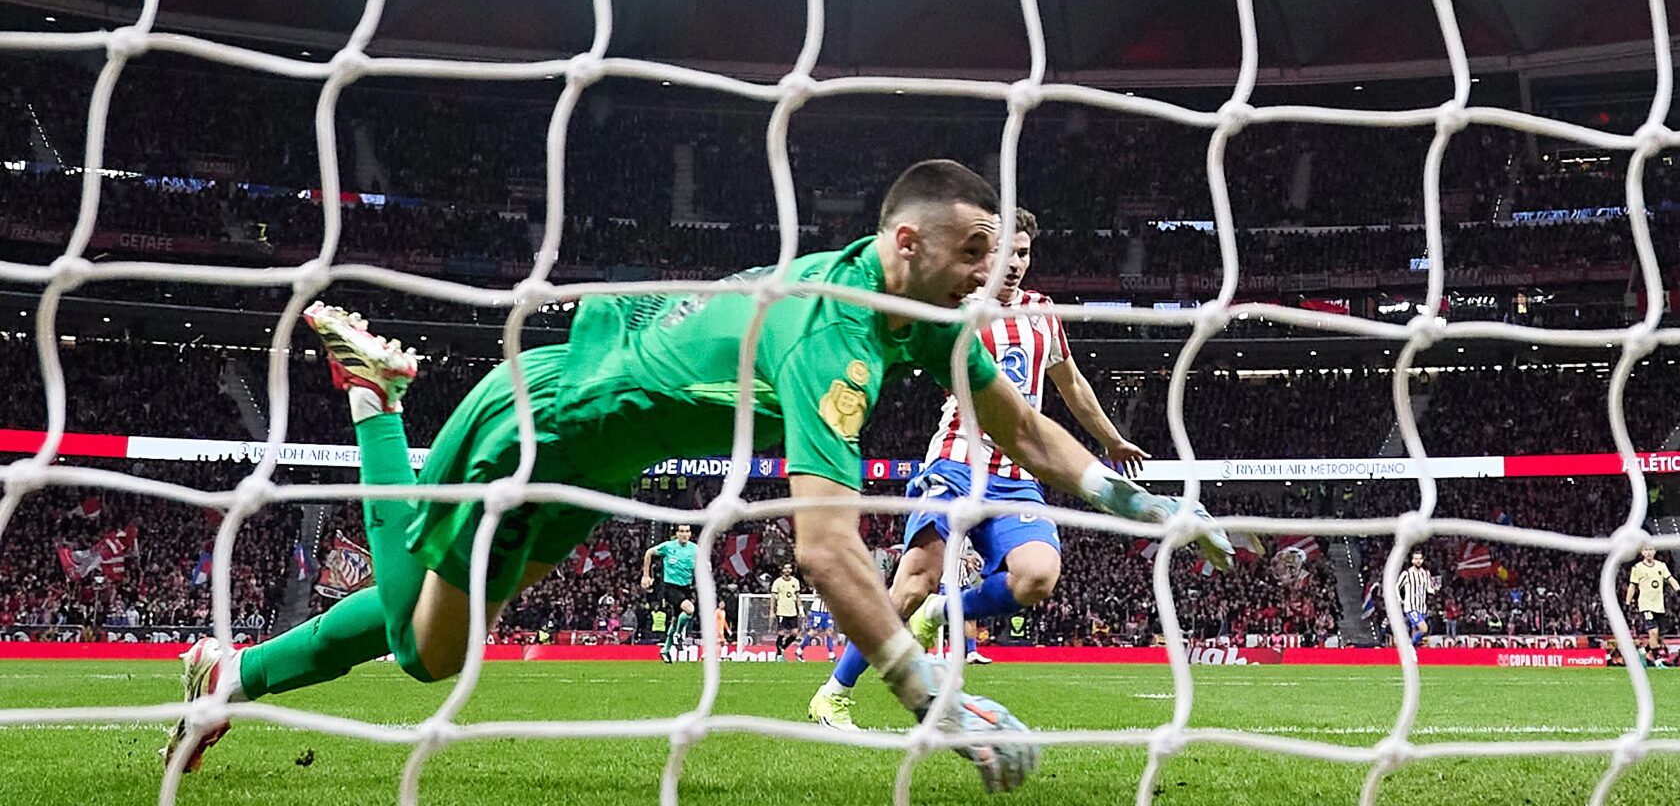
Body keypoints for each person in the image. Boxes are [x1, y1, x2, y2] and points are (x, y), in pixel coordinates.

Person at [166, 159, 1237, 795]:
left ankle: (231, 675)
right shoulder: (834, 339)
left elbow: (1028, 431)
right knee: (425, 653)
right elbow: (826, 552)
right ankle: (376, 403)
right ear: (908, 243)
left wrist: (1144, 506)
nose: (989, 275)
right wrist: (931, 701)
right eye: (974, 255)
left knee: (433, 621)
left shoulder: (917, 312)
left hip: (593, 449)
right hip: (539, 434)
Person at [835, 208, 1148, 692]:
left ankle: (942, 612)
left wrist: (1111, 440)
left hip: (1018, 474)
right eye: (1006, 252)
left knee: (1038, 577)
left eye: (1023, 253)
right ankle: (835, 692)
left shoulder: (1042, 312)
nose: (1015, 263)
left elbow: (1072, 384)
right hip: (958, 461)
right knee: (914, 582)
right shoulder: (958, 306)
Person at [639, 525, 698, 662]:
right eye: (681, 531)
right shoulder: (668, 546)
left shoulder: (695, 549)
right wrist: (646, 576)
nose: (684, 534)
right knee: (690, 609)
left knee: (676, 620)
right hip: (669, 587)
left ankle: (665, 650)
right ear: (677, 533)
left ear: (690, 534)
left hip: (686, 588)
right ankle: (678, 635)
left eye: (687, 531)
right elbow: (649, 552)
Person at [1626, 547, 1680, 660]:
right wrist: (1628, 602)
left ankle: (1643, 651)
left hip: (1659, 606)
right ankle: (1657, 661)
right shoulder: (1638, 568)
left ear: (1655, 551)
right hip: (1646, 605)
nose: (1649, 552)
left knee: (1658, 636)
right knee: (1653, 632)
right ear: (1642, 552)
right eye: (1646, 550)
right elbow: (1632, 586)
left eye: (1651, 549)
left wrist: (1678, 590)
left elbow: (1670, 578)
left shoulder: (1661, 566)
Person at [1395, 549, 1439, 642]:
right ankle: (1410, 644)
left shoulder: (1426, 573)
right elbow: (1397, 586)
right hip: (1411, 607)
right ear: (1412, 561)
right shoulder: (1407, 574)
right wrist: (1399, 599)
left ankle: (1413, 647)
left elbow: (1428, 588)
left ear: (1422, 560)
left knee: (1417, 631)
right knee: (1424, 629)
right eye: (1416, 559)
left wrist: (1434, 590)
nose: (1418, 561)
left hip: (1422, 608)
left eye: (1420, 559)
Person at [772, 561, 806, 661]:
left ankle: (782, 648)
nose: (787, 570)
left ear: (791, 570)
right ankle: (779, 655)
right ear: (782, 570)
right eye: (785, 568)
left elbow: (798, 597)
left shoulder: (795, 582)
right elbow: (773, 598)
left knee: (794, 633)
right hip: (781, 612)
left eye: (789, 568)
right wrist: (772, 611)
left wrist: (801, 610)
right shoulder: (777, 582)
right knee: (781, 634)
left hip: (792, 612)